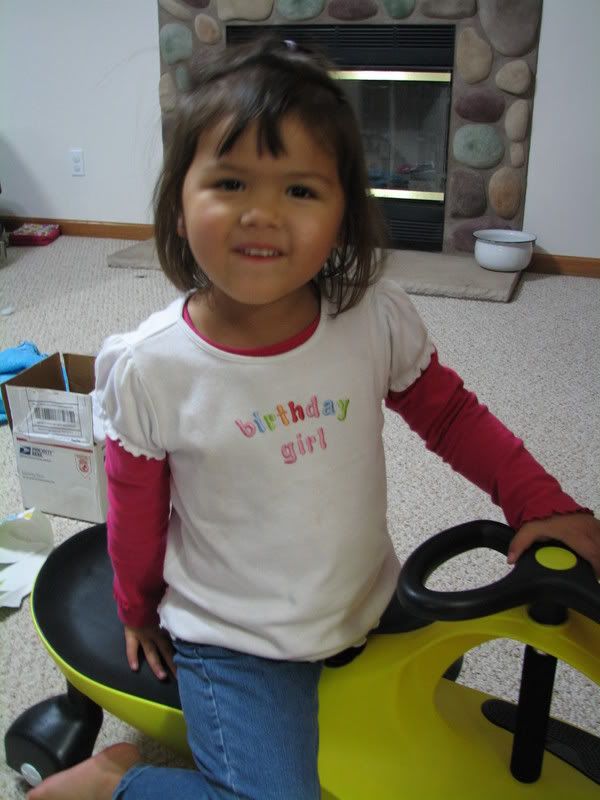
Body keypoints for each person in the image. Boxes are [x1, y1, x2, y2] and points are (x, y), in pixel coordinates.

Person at [28, 38, 600, 800]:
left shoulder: (371, 317)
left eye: (300, 190)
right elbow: (134, 507)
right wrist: (135, 609)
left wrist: (538, 500)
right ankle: (114, 783)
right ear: (180, 203)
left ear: (344, 213)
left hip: (361, 595)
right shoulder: (152, 367)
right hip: (236, 639)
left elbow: (453, 417)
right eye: (230, 182)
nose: (262, 214)